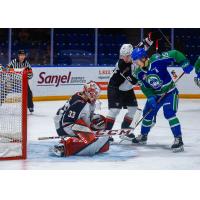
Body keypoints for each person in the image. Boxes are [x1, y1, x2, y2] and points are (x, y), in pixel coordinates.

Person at [122, 48, 193, 152]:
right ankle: (143, 136)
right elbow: (144, 87)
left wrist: (184, 62)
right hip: (156, 95)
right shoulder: (138, 73)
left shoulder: (157, 60)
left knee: (169, 113)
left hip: (170, 92)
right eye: (134, 61)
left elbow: (175, 53)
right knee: (147, 114)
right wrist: (150, 96)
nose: (136, 63)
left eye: (136, 60)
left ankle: (178, 139)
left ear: (143, 58)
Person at [52, 81, 110, 157]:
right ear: (88, 92)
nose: (96, 95)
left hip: (71, 123)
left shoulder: (86, 99)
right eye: (94, 93)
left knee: (100, 120)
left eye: (96, 93)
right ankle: (64, 146)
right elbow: (67, 121)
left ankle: (84, 139)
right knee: (90, 138)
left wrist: (94, 124)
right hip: (64, 126)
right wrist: (89, 130)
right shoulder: (79, 102)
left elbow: (85, 116)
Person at [105, 44, 141, 131]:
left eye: (127, 56)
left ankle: (124, 131)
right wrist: (143, 82)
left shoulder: (136, 58)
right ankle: (106, 132)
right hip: (115, 88)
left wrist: (151, 37)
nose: (124, 58)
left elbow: (144, 45)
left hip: (127, 89)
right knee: (114, 110)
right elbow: (132, 80)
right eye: (122, 56)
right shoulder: (121, 64)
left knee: (133, 110)